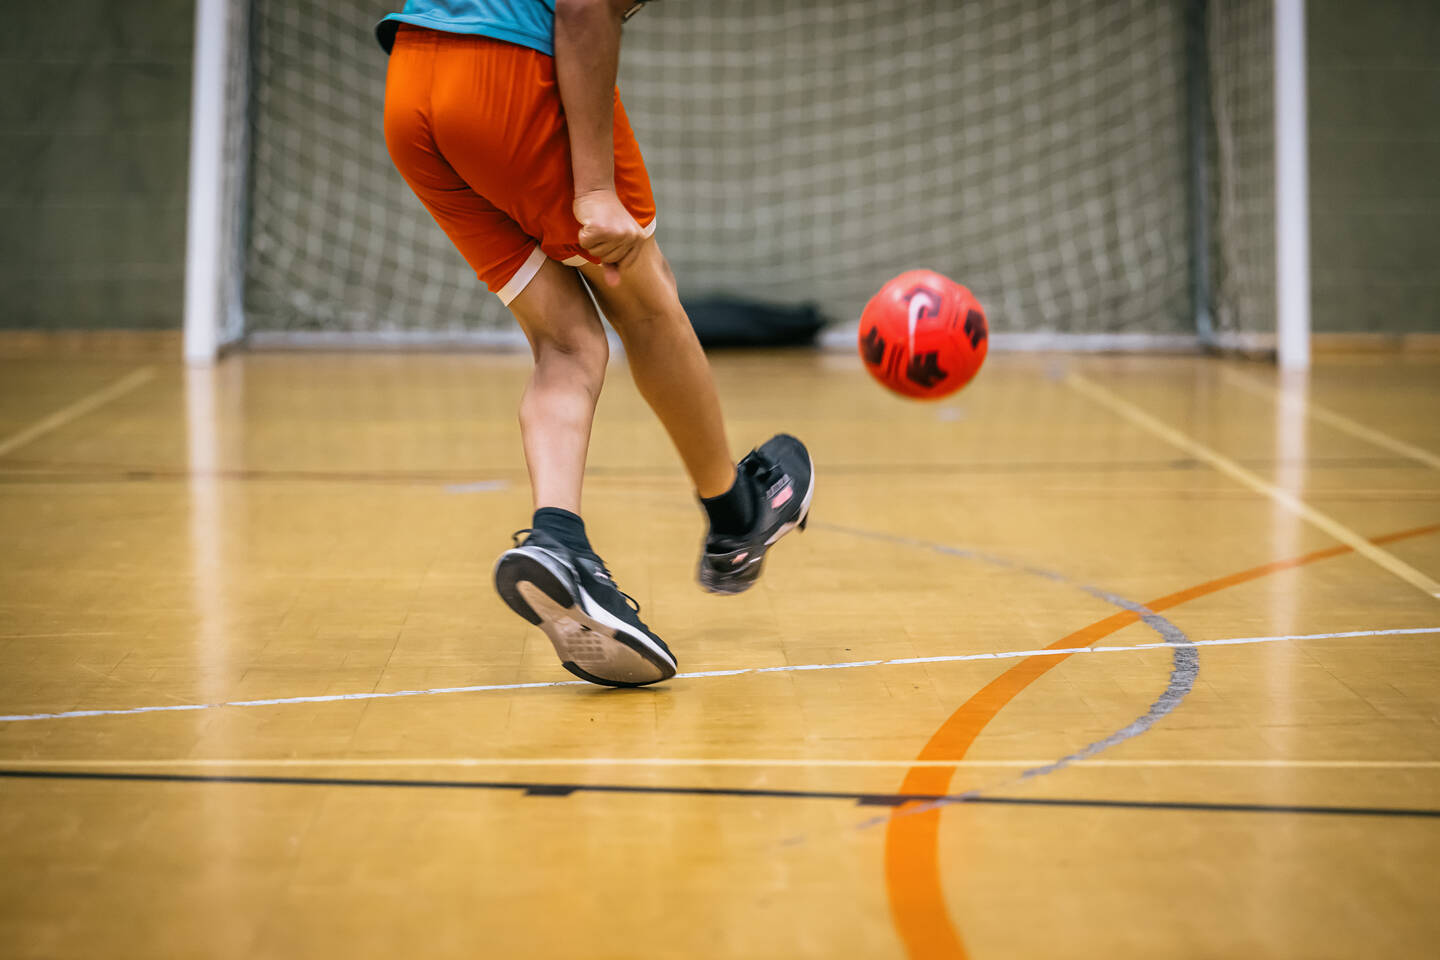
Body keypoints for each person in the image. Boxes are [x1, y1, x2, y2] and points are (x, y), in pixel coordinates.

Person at [377, 0, 814, 688]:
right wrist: (597, 188)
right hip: (509, 80)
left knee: (568, 345)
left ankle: (560, 542)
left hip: (412, 92)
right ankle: (737, 516)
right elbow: (585, 5)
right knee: (649, 303)